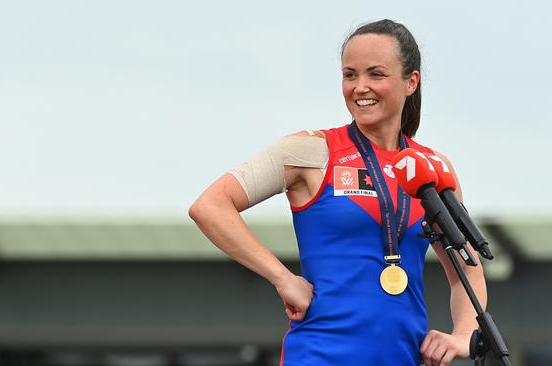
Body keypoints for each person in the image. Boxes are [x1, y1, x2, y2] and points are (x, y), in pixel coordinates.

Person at [189, 19, 487, 366]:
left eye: (376, 74)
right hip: (318, 356)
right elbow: (210, 206)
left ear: (411, 81)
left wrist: (464, 333)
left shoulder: (431, 169)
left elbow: (467, 265)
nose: (360, 87)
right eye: (350, 75)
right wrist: (282, 278)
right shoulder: (310, 151)